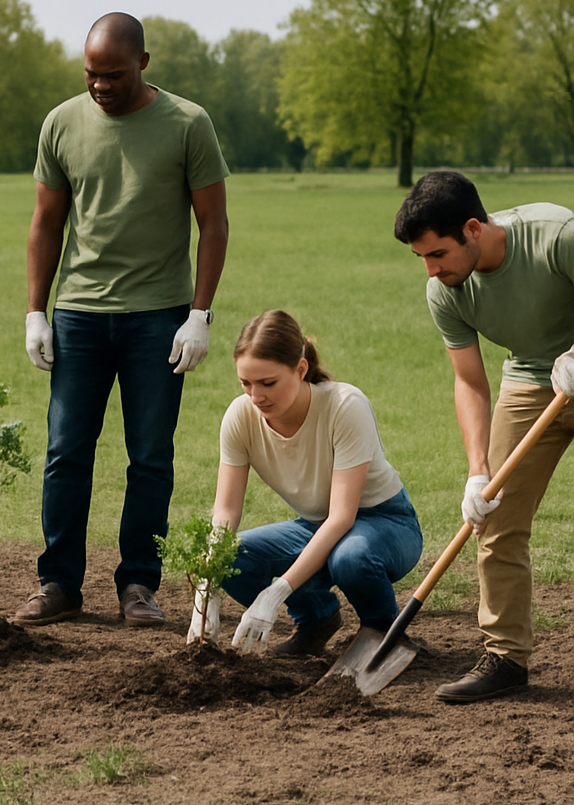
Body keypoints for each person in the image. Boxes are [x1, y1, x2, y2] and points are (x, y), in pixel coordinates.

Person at [14, 12, 230, 628]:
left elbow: (211, 223)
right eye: (90, 73)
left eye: (112, 74)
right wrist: (36, 310)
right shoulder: (61, 123)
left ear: (143, 63)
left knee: (150, 457)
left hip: (159, 317)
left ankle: (138, 584)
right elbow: (46, 223)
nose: (99, 86)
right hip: (79, 314)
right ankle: (59, 584)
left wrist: (200, 315)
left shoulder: (188, 124)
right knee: (65, 453)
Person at [394, 170, 574, 702]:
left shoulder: (556, 235)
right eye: (422, 258)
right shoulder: (445, 291)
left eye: (438, 254)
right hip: (531, 381)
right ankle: (505, 658)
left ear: (474, 228)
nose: (431, 270)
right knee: (493, 519)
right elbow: (470, 382)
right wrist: (478, 473)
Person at [187, 310, 423, 654]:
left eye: (268, 383)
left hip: (385, 522)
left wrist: (277, 592)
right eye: (245, 383)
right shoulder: (240, 417)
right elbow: (225, 510)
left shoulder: (345, 405)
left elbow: (343, 517)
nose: (256, 396)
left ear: (300, 370)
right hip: (316, 524)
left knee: (350, 558)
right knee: (234, 557)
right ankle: (316, 622)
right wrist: (207, 588)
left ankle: (386, 634)